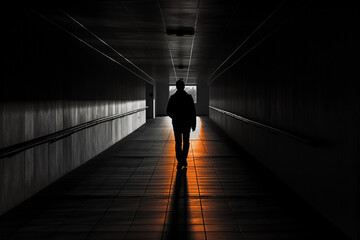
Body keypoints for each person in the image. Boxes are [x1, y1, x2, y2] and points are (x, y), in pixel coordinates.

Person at [166, 79, 196, 169]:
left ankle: (180, 160)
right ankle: (184, 159)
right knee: (186, 142)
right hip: (186, 124)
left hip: (177, 123)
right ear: (183, 86)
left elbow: (168, 111)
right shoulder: (189, 97)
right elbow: (193, 112)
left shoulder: (173, 98)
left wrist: (175, 117)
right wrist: (193, 123)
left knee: (178, 142)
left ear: (176, 86)